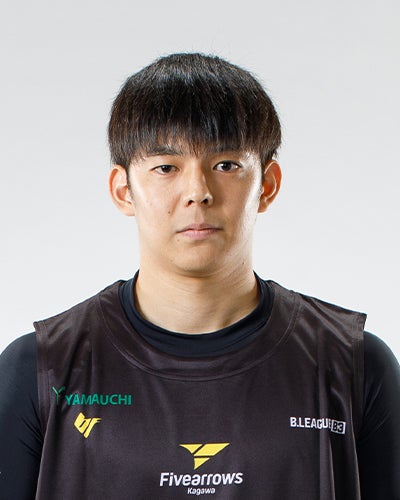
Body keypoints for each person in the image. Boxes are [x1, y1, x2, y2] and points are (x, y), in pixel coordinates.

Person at [0, 53, 399, 500]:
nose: (198, 192)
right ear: (123, 190)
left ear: (267, 185)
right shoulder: (39, 370)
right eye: (166, 167)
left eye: (226, 165)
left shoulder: (355, 365)